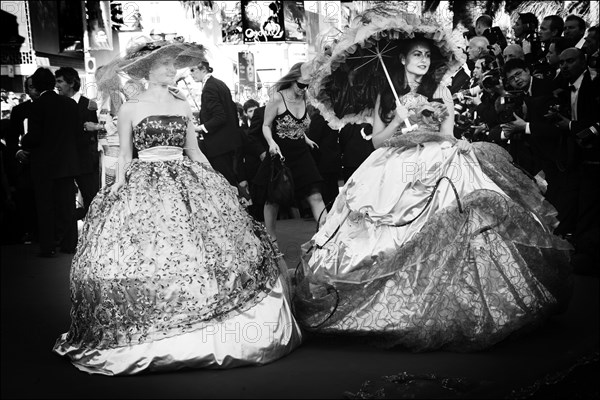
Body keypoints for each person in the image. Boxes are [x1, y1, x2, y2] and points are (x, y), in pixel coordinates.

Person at [293, 36, 572, 352]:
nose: (423, 60)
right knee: (383, 233)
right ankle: (397, 311)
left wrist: (437, 135)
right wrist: (399, 119)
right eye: (416, 54)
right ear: (402, 59)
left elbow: (448, 133)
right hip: (394, 166)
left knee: (469, 221)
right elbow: (377, 142)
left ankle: (480, 304)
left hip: (439, 161)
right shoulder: (385, 94)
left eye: (427, 54)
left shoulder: (441, 89)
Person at [52, 41, 302, 375]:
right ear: (146, 70)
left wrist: (217, 179)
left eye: (173, 65)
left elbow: (193, 150)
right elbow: (126, 154)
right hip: (144, 182)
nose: (172, 70)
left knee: (206, 247)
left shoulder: (183, 105)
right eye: (165, 65)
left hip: (185, 178)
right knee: (151, 251)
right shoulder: (131, 107)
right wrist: (117, 185)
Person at [258, 62, 328, 240]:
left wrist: (306, 138)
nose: (303, 89)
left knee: (316, 196)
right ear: (292, 79)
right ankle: (271, 238)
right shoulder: (277, 98)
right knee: (274, 198)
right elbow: (266, 125)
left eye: (307, 86)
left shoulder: (305, 98)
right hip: (280, 153)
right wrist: (271, 142)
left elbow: (298, 125)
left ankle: (326, 236)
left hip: (301, 153)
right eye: (301, 84)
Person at [19, 68, 80, 257]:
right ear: (53, 83)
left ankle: (48, 246)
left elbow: (35, 137)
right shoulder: (69, 104)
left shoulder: (37, 106)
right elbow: (76, 133)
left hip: (44, 164)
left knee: (46, 206)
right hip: (66, 163)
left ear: (36, 86)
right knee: (67, 205)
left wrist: (24, 143)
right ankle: (69, 244)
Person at [55, 67, 100, 223]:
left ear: (72, 82)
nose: (57, 85)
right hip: (65, 163)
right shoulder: (58, 105)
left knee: (91, 197)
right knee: (65, 202)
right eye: (56, 81)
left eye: (60, 81)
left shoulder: (89, 104)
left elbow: (94, 133)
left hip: (85, 161)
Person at [191, 61, 243, 187]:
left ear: (203, 69)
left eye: (193, 70)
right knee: (229, 181)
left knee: (225, 183)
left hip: (219, 145)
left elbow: (220, 116)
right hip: (228, 143)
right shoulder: (219, 84)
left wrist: (200, 128)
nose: (191, 74)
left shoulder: (210, 87)